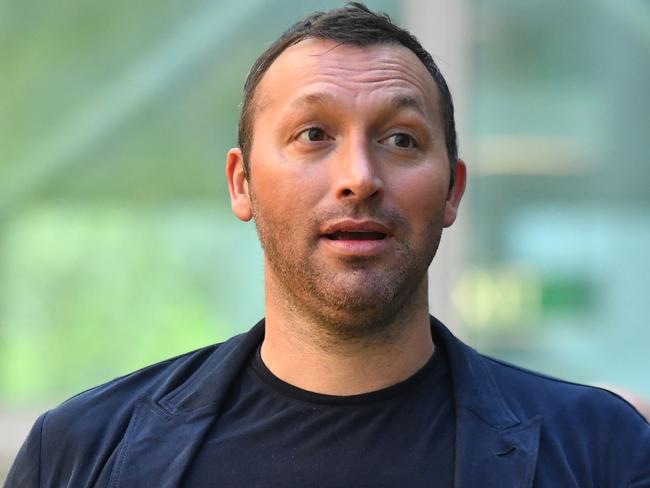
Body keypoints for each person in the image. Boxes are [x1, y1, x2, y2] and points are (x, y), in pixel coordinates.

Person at [6, 3, 650, 487]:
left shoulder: (602, 453)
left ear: (452, 191)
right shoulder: (80, 453)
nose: (359, 178)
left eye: (400, 139)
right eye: (314, 134)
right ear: (243, 184)